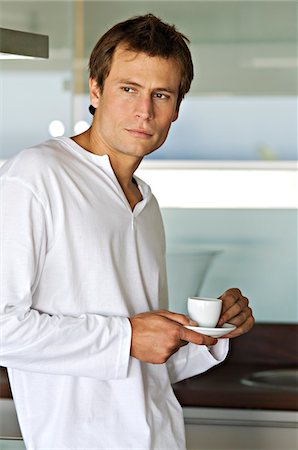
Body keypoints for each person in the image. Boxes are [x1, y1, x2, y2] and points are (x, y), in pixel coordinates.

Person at [0, 14, 254, 449]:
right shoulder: (35, 176)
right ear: (95, 89)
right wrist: (129, 336)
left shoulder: (145, 204)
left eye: (161, 94)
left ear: (177, 108)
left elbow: (139, 364)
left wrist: (210, 335)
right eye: (128, 88)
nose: (144, 111)